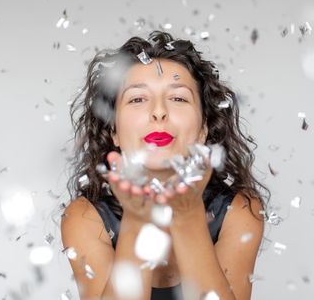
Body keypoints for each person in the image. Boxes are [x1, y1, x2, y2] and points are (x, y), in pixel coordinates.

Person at [61, 31, 270, 300]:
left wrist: (188, 216)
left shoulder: (239, 211)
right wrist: (138, 221)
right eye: (137, 99)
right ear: (113, 130)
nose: (158, 112)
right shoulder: (85, 217)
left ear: (204, 128)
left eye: (178, 98)